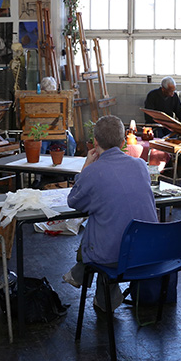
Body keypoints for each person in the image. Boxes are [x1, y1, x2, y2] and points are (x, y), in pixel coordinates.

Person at [62, 116, 158, 311]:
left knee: (99, 227)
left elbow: (73, 201)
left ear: (95, 142)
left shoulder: (93, 172)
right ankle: (104, 299)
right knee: (112, 222)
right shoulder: (140, 165)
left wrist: (86, 166)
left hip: (112, 256)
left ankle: (81, 274)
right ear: (123, 143)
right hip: (146, 250)